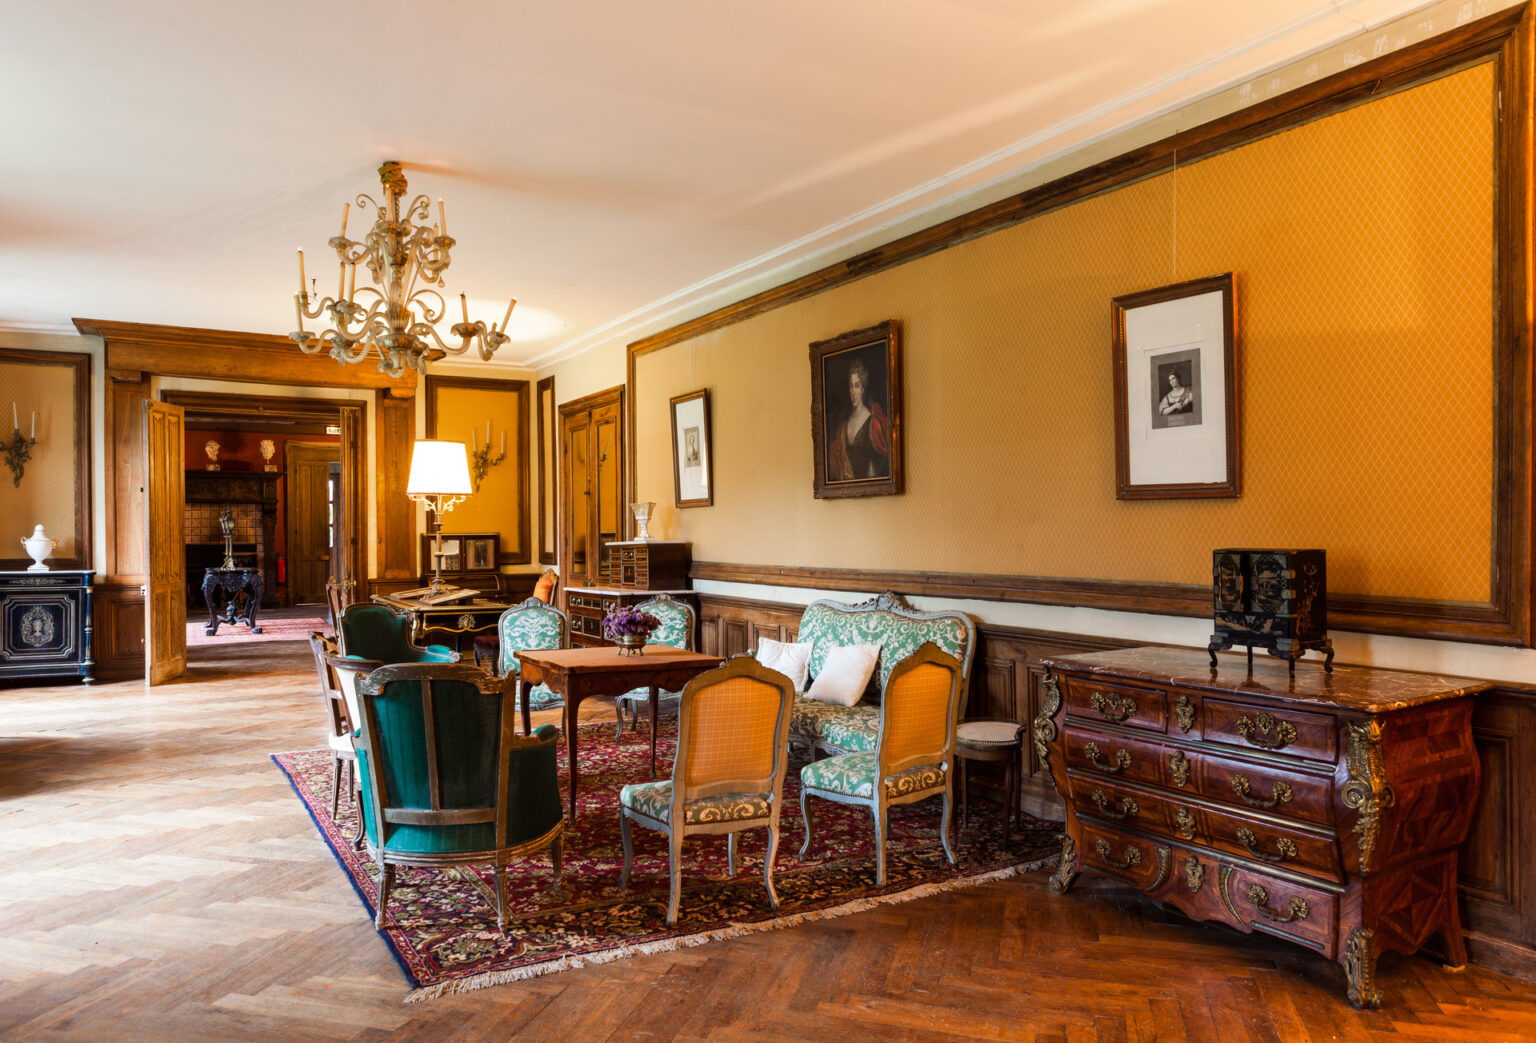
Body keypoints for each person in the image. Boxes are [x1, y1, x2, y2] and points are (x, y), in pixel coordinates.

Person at [828, 358, 890, 481]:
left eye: (857, 386)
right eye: (851, 386)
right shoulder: (844, 425)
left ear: (862, 389)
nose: (853, 392)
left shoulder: (872, 422)